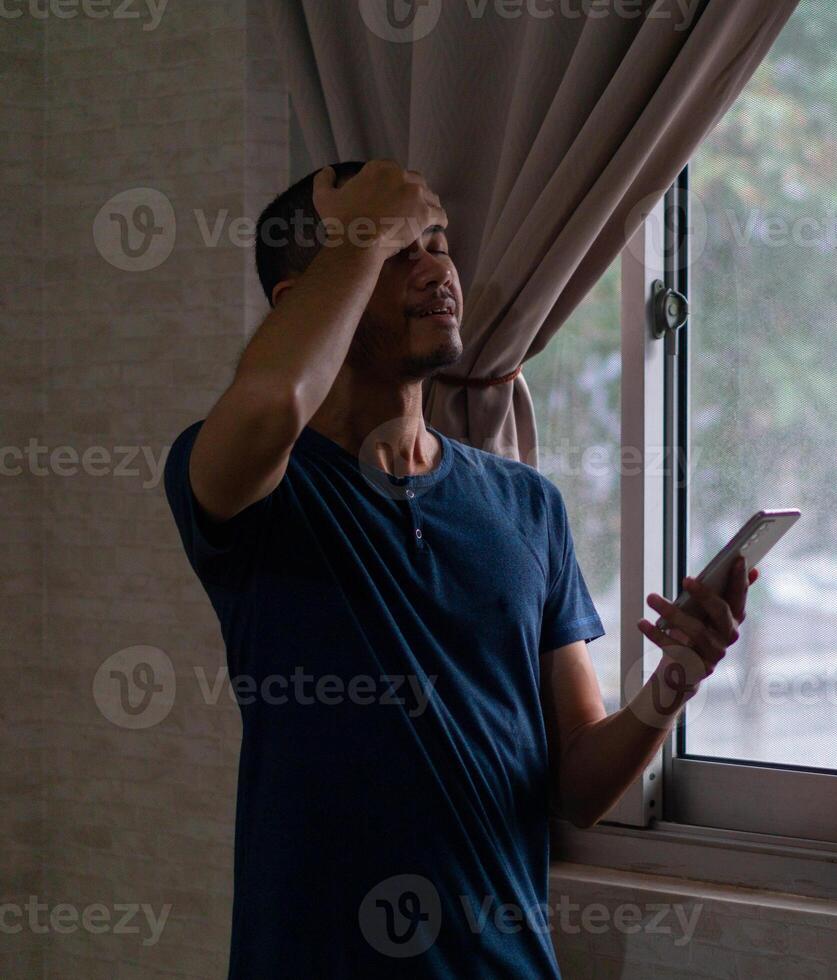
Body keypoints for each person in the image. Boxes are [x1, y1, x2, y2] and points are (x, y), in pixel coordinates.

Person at [164, 159, 753, 977]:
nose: (437, 267)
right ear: (305, 302)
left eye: (439, 246)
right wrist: (365, 233)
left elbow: (577, 786)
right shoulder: (253, 483)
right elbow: (268, 403)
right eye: (398, 250)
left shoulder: (524, 504)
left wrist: (677, 676)